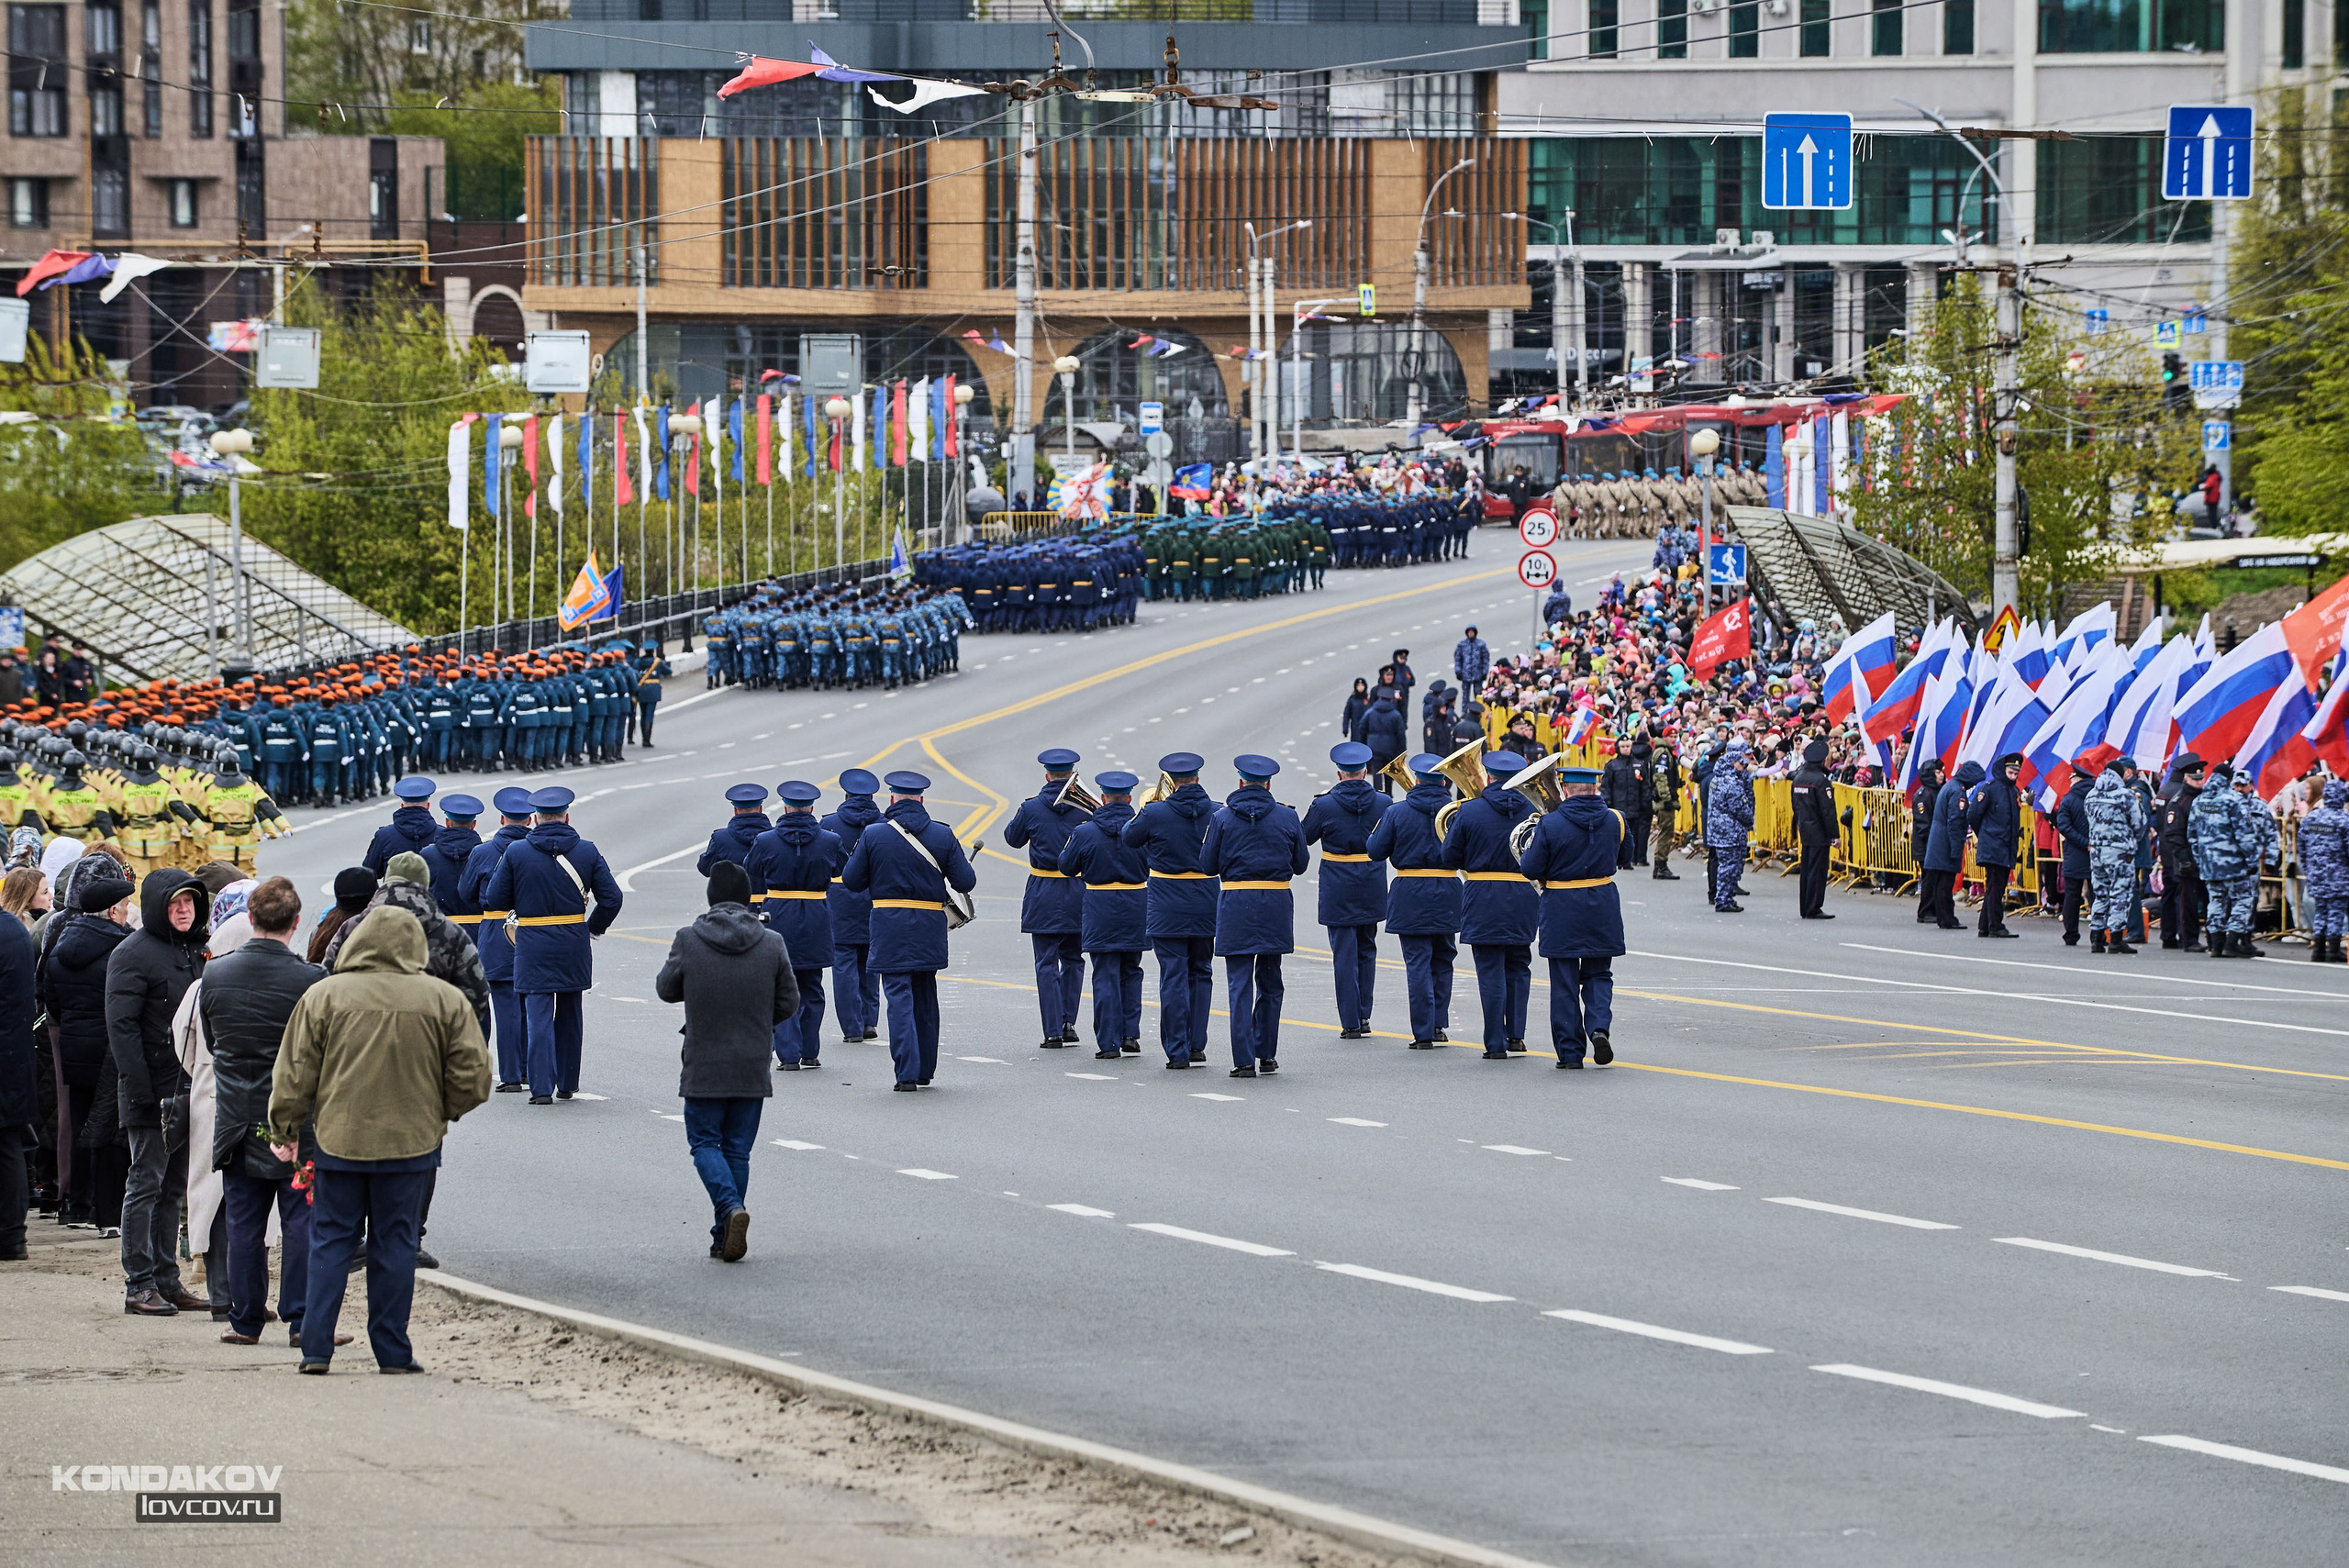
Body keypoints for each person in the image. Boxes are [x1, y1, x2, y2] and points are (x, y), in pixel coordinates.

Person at [270, 906, 490, 1373]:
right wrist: (442, 1111)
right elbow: (474, 1076)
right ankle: (392, 1351)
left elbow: (293, 1073)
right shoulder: (442, 999)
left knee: (330, 1239)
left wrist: (285, 1129)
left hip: (339, 1140)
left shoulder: (324, 996)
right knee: (394, 1244)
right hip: (411, 1145)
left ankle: (315, 1347)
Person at [199, 876, 332, 1347]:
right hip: (298, 1119)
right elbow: (320, 1054)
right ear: (296, 924)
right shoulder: (311, 980)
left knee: (243, 1225)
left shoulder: (215, 975)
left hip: (236, 1116)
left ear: (250, 919)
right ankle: (300, 1320)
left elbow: (214, 1045)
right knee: (301, 1222)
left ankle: (245, 1319)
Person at [655, 862, 799, 1262]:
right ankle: (724, 1235)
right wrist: (757, 1022)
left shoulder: (689, 938)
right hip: (752, 1059)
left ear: (711, 898)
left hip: (704, 1058)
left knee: (703, 1142)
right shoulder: (772, 942)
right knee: (737, 1150)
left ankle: (730, 1211)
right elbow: (790, 1001)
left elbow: (666, 990)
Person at [104, 867, 210, 1316]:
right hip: (150, 1091)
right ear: (156, 907)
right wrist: (141, 1091)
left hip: (188, 1088)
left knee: (173, 1188)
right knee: (145, 1183)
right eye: (174, 903)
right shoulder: (132, 954)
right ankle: (139, 1284)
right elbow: (121, 1028)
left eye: (188, 901)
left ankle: (168, 1280)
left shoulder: (195, 950)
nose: (183, 910)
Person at [481, 786, 624, 1104]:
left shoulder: (517, 852)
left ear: (535, 819)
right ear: (567, 816)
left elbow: (494, 898)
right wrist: (592, 928)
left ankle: (542, 1088)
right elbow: (612, 898)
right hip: (573, 939)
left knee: (538, 1014)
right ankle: (568, 1082)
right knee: (571, 1011)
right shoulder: (586, 850)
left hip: (532, 941)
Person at [839, 771, 976, 1090]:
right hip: (929, 924)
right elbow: (966, 882)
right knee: (926, 994)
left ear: (891, 798)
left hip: (889, 924)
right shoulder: (942, 835)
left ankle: (906, 1073)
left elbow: (851, 881)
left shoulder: (874, 835)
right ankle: (926, 1069)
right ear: (922, 800)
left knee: (898, 994)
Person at [1200, 755, 1308, 1079]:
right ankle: (1267, 1053)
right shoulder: (1288, 817)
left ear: (1240, 782)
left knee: (1239, 984)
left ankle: (1243, 1059)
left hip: (1236, 903)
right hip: (1274, 903)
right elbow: (1301, 864)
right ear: (1269, 784)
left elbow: (1207, 865)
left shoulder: (1221, 819)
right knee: (1271, 982)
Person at [1517, 765, 1621, 1069]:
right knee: (1599, 974)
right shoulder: (1616, 819)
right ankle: (1599, 1027)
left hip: (1561, 906)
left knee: (1564, 982)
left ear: (1565, 789)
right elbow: (1624, 857)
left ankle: (1570, 1053)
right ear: (1595, 789)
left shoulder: (1550, 824)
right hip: (1602, 905)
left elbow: (1531, 869)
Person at [1119, 753, 1218, 1069]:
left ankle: (1176, 1050)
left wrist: (1148, 812)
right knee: (1201, 972)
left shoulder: (1155, 812)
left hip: (1166, 904)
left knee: (1173, 974)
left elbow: (1128, 837)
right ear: (1198, 778)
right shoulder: (1217, 811)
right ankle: (1196, 1045)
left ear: (1171, 782)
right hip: (1205, 900)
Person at [1440, 751, 1536, 1059]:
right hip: (1523, 896)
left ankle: (1494, 1043)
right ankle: (1516, 1035)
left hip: (1482, 895)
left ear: (1489, 775)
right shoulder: (1535, 810)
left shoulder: (1468, 812)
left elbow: (1448, 858)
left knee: (1490, 970)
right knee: (1519, 965)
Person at [743, 780, 842, 1071]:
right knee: (812, 985)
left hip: (779, 914)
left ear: (785, 807)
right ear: (811, 807)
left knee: (780, 986)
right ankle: (810, 1051)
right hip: (815, 913)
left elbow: (751, 870)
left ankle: (788, 1055)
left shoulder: (765, 840)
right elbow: (842, 870)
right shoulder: (830, 840)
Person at [1365, 753, 1460, 1050]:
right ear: (1444, 781)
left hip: (1410, 891)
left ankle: (1423, 1031)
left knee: (1417, 963)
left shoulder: (1397, 811)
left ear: (1416, 780)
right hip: (1447, 890)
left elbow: (1375, 851)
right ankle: (1438, 1024)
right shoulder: (1458, 812)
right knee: (1444, 959)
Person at [999, 749, 1091, 1050]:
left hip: (1044, 891)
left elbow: (1013, 839)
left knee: (1046, 963)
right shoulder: (1086, 808)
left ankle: (1052, 1030)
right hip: (1078, 890)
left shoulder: (1032, 807)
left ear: (1047, 775)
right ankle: (1068, 1022)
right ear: (1072, 774)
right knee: (1074, 959)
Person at [1057, 771, 1148, 1061]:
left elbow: (1066, 867)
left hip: (1100, 905)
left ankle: (1108, 1042)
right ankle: (1130, 1035)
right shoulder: (1142, 828)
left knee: (1105, 974)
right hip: (1136, 902)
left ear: (1103, 797)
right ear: (1130, 798)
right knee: (1131, 971)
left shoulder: (1085, 831)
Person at [1301, 742, 1389, 1040]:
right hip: (1371, 881)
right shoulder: (1383, 802)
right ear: (1365, 771)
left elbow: (1304, 839)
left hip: (1338, 883)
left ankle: (1350, 1021)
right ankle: (1364, 1014)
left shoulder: (1323, 804)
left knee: (1344, 953)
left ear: (1339, 773)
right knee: (1367, 949)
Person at [459, 789, 535, 1091]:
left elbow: (465, 893)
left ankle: (511, 1075)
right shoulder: (537, 850)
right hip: (532, 927)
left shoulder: (483, 852)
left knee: (505, 1006)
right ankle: (533, 1069)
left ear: (502, 819)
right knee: (533, 1005)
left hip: (495, 928)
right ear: (529, 820)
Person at [820, 770, 884, 1046]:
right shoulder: (884, 823)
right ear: (872, 796)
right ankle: (870, 1020)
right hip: (875, 898)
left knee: (843, 964)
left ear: (845, 796)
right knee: (871, 962)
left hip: (840, 900)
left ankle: (852, 1027)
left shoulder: (829, 823)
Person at [0, 869, 34, 1259]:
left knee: (7, 1145)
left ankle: (10, 1236)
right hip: (14, 1053)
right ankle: (12, 1236)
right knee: (8, 1143)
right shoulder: (13, 929)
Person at [2085, 760, 2147, 954]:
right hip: (2119, 851)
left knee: (2100, 892)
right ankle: (2116, 937)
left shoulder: (2091, 795)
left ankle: (2096, 937)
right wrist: (2129, 841)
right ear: (2121, 775)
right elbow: (2139, 824)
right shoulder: (2125, 796)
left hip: (2096, 850)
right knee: (2120, 893)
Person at [1966, 753, 2024, 938]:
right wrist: (1984, 834)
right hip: (1993, 845)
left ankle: (1985, 925)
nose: (2014, 776)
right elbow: (1973, 814)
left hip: (2005, 847)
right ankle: (1995, 925)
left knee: (1995, 888)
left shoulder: (2014, 792)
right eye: (2010, 772)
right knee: (1995, 887)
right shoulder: (1989, 789)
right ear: (2002, 770)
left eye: (2016, 773)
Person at [2156, 753, 2207, 951]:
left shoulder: (2166, 790)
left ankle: (2170, 934)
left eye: (2201, 777)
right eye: (2195, 778)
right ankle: (2186, 937)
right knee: (2185, 900)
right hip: (2181, 855)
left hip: (2175, 853)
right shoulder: (2178, 798)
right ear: (2186, 776)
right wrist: (2184, 859)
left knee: (2173, 896)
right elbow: (2174, 831)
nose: (2199, 781)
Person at [1921, 761, 1979, 930]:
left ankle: (1943, 917)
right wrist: (1956, 849)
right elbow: (1955, 822)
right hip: (1946, 842)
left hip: (1939, 841)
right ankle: (1947, 918)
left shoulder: (1950, 787)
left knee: (1941, 883)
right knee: (1945, 884)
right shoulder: (1957, 792)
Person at [2299, 778, 2349, 962]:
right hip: (2338, 874)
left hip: (2316, 874)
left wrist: (2310, 867)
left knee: (2321, 911)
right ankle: (2333, 950)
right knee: (2335, 911)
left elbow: (2301, 847)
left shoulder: (2311, 817)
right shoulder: (2344, 820)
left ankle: (2318, 950)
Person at [1702, 739, 1753, 913]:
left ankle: (1726, 898)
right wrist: (1749, 819)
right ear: (1733, 763)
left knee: (1728, 866)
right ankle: (1724, 899)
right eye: (1741, 764)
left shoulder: (1719, 778)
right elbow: (1739, 808)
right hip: (1730, 831)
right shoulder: (1731, 782)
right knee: (1729, 867)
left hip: (1721, 830)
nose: (1743, 767)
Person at [1788, 738, 1836, 918]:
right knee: (1817, 871)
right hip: (1819, 830)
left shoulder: (1799, 778)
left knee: (1807, 870)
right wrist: (1834, 834)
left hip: (1805, 827)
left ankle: (1805, 906)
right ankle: (1814, 906)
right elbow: (1827, 811)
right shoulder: (1821, 781)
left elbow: (1795, 806)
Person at [362, 776, 439, 877]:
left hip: (394, 892)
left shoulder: (384, 836)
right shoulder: (441, 835)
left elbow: (370, 872)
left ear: (402, 806)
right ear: (428, 806)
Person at [2052, 768, 2094, 946]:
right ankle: (2099, 934)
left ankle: (2071, 934)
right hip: (2097, 853)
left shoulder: (2068, 799)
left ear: (2076, 779)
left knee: (2072, 895)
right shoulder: (2097, 798)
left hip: (2075, 852)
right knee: (2097, 895)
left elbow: (2064, 826)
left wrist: (2083, 843)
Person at [697, 784, 772, 878]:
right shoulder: (774, 837)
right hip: (769, 893)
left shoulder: (720, 839)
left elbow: (705, 869)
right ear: (760, 809)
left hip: (733, 893)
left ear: (735, 811)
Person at [1359, 689, 1408, 794]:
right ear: (1391, 700)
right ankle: (1388, 794)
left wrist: (1365, 743)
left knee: (1376, 773)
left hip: (1374, 748)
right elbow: (1401, 735)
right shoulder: (1396, 715)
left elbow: (1362, 728)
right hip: (1390, 749)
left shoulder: (1371, 712)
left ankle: (1378, 793)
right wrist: (1402, 753)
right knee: (1389, 773)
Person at [1453, 626, 1491, 692]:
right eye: (1469, 632)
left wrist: (1484, 672)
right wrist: (1458, 671)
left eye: (1472, 632)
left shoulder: (1481, 644)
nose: (1470, 634)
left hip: (1478, 674)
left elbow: (1485, 659)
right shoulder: (1462, 645)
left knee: (1478, 694)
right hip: (1465, 675)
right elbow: (1458, 659)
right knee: (1465, 696)